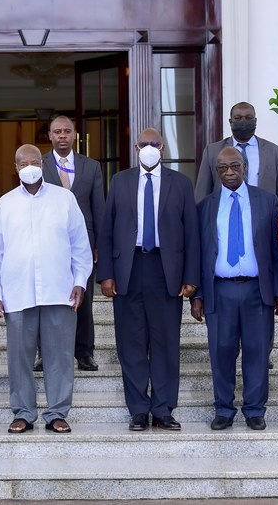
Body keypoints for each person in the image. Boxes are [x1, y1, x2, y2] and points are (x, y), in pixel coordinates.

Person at [0, 144, 92, 434]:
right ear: (15, 167)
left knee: (59, 357)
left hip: (60, 291)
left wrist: (80, 281)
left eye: (34, 161)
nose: (29, 166)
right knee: (19, 358)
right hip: (17, 294)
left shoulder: (64, 199)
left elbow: (81, 245)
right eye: (23, 163)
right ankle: (23, 412)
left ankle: (57, 412)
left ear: (42, 165)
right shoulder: (5, 204)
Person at [97, 128, 200, 432]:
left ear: (163, 147)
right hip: (129, 268)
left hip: (165, 270)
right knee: (131, 343)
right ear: (136, 147)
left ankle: (164, 408)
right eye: (144, 144)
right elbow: (107, 229)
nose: (149, 148)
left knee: (166, 343)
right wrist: (106, 274)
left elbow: (192, 234)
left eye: (154, 144)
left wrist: (191, 277)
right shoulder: (120, 181)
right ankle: (139, 409)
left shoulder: (181, 184)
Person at [191, 147, 278, 431]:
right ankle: (223, 409)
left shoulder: (267, 202)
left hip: (258, 290)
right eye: (223, 168)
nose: (229, 172)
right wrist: (197, 295)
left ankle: (255, 410)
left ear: (244, 166)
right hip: (220, 290)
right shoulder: (205, 206)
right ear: (216, 171)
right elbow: (198, 252)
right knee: (221, 352)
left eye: (235, 166)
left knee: (257, 351)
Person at [38, 115, 105, 372]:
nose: (62, 135)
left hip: (83, 244)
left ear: (75, 134)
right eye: (57, 131)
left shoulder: (91, 166)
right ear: (50, 136)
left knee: (84, 300)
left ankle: (84, 353)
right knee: (48, 300)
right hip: (48, 243)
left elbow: (98, 207)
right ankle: (45, 352)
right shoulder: (39, 165)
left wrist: (99, 244)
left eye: (67, 131)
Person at [195, 102, 278, 203]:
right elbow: (202, 192)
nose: (243, 121)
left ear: (255, 121)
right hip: (224, 213)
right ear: (230, 121)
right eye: (238, 118)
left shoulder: (275, 152)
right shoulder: (212, 151)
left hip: (263, 214)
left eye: (248, 117)